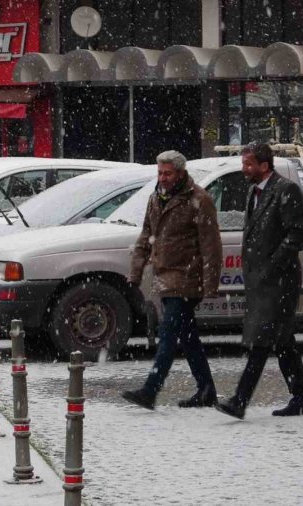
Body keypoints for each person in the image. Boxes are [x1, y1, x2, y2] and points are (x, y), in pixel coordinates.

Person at [215, 143, 303, 419]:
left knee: (262, 340)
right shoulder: (253, 192)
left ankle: (240, 400)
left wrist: (273, 264)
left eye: (248, 164)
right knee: (282, 341)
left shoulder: (285, 191)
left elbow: (299, 234)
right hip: (261, 281)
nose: (244, 169)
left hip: (280, 282)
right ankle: (302, 397)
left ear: (264, 165)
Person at [121, 150, 223, 410]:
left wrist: (211, 283)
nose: (163, 178)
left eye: (167, 173)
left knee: (168, 334)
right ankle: (206, 390)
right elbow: (146, 236)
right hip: (165, 277)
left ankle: (150, 390)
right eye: (159, 173)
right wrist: (135, 272)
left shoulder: (199, 199)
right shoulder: (156, 197)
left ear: (180, 173)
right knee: (188, 337)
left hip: (186, 279)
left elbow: (211, 245)